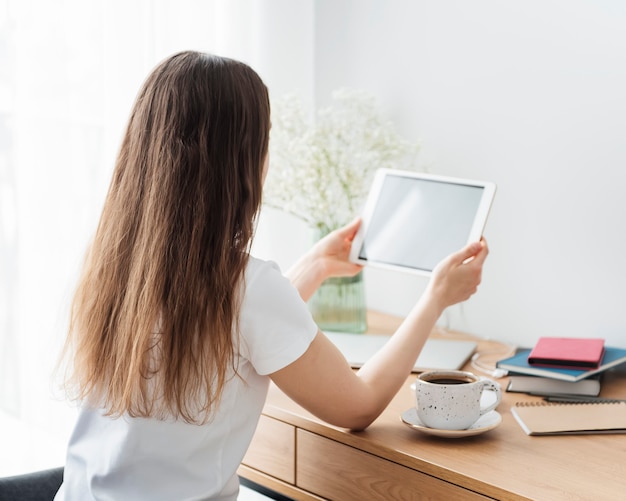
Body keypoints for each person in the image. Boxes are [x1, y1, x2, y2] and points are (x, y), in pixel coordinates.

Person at [54, 51, 488, 500]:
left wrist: (316, 266)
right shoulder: (248, 289)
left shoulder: (114, 266)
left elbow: (228, 330)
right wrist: (435, 298)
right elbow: (357, 406)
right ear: (238, 161)